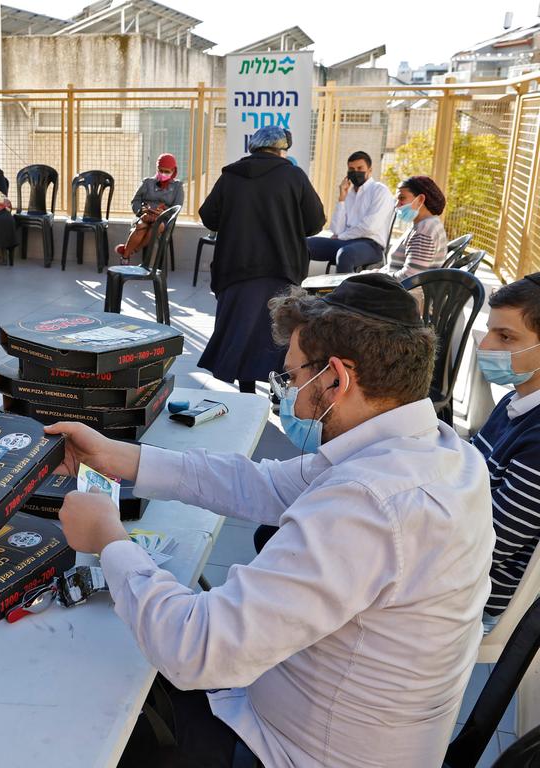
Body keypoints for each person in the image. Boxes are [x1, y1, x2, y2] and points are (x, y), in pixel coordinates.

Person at [45, 273, 493, 767]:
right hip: (326, 722)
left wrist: (108, 539)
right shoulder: (441, 452)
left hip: (295, 753)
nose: (292, 395)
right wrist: (120, 459)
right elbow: (264, 485)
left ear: (337, 379)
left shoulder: (369, 503)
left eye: (294, 378)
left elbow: (195, 647)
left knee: (90, 711)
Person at [197, 126, 325, 394]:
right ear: (282, 149)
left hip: (236, 267)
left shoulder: (231, 175)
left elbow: (209, 217)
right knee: (279, 332)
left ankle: (246, 390)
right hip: (282, 267)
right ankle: (281, 391)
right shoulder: (293, 175)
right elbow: (314, 223)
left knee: (242, 332)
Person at [472, 274, 540, 624]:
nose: (486, 346)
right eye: (490, 331)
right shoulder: (516, 401)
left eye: (506, 337)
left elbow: (490, 543)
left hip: (478, 595)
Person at [307, 150, 393, 273]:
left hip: (371, 245)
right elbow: (336, 230)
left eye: (360, 168)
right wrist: (342, 198)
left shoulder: (379, 191)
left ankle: (344, 292)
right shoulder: (349, 193)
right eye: (351, 169)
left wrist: (342, 236)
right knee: (304, 244)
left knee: (345, 254)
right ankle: (295, 288)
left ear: (370, 170)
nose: (356, 172)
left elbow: (369, 227)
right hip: (345, 242)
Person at [377, 175, 448, 281]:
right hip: (396, 288)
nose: (397, 205)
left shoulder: (424, 231)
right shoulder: (425, 224)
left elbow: (410, 277)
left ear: (420, 199)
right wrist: (377, 273)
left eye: (402, 198)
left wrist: (375, 278)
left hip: (404, 295)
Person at [117, 153, 185, 264]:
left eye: (167, 171)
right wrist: (141, 212)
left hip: (162, 219)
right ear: (157, 169)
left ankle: (130, 251)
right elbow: (136, 200)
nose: (163, 174)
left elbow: (177, 207)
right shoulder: (147, 182)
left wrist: (163, 214)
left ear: (173, 171)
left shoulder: (177, 187)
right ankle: (125, 258)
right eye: (161, 170)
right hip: (145, 216)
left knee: (157, 226)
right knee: (141, 226)